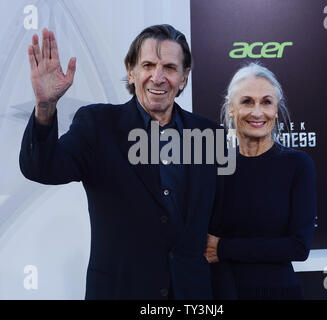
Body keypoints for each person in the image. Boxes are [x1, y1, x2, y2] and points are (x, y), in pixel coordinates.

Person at [19, 24, 223, 300]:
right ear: (131, 71)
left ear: (184, 76)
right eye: (148, 65)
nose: (158, 77)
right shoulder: (98, 125)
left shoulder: (209, 135)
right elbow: (41, 168)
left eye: (170, 68)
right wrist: (45, 107)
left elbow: (222, 215)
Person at [205, 62, 316, 300]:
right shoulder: (214, 167)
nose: (257, 112)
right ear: (231, 108)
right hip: (220, 293)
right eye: (246, 101)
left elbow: (298, 246)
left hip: (278, 293)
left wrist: (224, 248)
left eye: (266, 102)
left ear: (276, 109)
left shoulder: (298, 165)